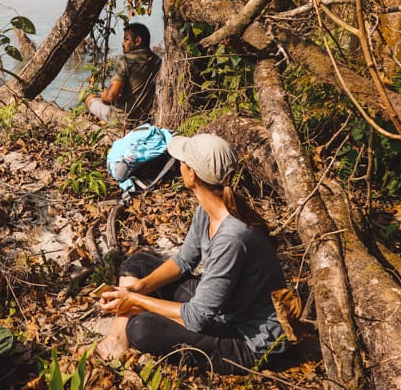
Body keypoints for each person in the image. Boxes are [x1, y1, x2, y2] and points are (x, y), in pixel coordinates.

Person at [95, 133, 288, 374]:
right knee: (138, 263)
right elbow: (184, 261)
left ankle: (124, 330)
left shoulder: (233, 237)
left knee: (142, 329)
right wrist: (136, 289)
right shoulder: (208, 209)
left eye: (182, 161)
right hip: (223, 308)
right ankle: (116, 339)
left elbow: (197, 317)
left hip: (250, 340)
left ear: (192, 174)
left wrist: (136, 301)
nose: (179, 165)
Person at [84, 23, 161, 126]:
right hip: (144, 119)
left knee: (90, 98)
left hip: (122, 119)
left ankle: (108, 122)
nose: (122, 43)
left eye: (126, 40)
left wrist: (103, 95)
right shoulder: (157, 61)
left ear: (137, 41)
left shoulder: (125, 61)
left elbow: (111, 96)